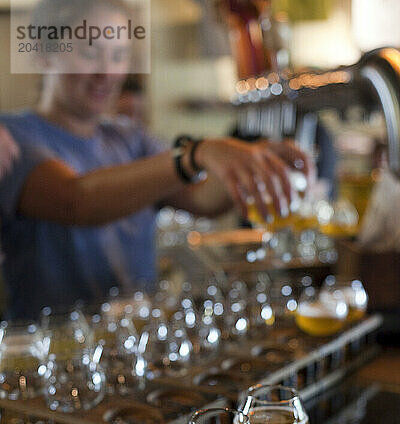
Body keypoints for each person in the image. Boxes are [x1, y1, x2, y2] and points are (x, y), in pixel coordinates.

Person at [0, 0, 310, 320]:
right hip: (49, 354)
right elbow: (75, 200)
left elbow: (202, 197)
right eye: (90, 52)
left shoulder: (130, 137)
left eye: (118, 55)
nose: (107, 72)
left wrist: (256, 164)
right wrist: (196, 154)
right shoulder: (12, 137)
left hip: (137, 344)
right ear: (43, 53)